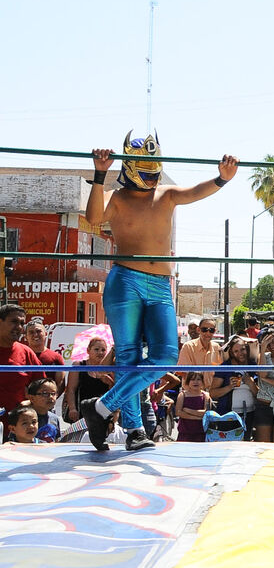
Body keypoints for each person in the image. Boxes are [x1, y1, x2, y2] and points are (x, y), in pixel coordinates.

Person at [81, 138, 238, 452]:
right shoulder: (117, 196)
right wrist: (100, 175)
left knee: (166, 355)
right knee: (128, 357)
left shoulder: (167, 194)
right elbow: (94, 218)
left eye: (155, 172)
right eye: (146, 173)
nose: (152, 179)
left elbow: (195, 192)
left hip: (160, 284)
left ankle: (100, 407)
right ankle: (134, 430)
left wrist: (222, 179)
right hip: (125, 279)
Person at [208, 335, 258, 441]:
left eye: (242, 349)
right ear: (231, 353)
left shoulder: (253, 366)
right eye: (236, 351)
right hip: (227, 415)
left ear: (247, 349)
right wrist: (229, 387)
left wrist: (250, 383)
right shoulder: (225, 367)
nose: (240, 353)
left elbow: (260, 394)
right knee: (228, 446)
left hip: (249, 415)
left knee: (246, 444)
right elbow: (213, 393)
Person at [0, 305, 45, 416]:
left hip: (17, 423)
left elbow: (44, 386)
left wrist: (30, 402)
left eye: (22, 323)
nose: (19, 327)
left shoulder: (26, 352)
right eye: (14, 321)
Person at [22, 318, 65, 395]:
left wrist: (50, 398)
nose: (35, 335)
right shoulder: (21, 356)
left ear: (45, 334)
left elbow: (60, 383)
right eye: (31, 332)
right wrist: (29, 398)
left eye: (38, 331)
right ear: (25, 337)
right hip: (23, 401)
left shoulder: (56, 357)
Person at [178, 316, 223, 388]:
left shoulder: (216, 347)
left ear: (214, 331)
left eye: (211, 330)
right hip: (192, 392)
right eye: (204, 329)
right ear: (198, 330)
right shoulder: (188, 347)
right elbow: (183, 373)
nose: (208, 333)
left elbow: (219, 373)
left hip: (211, 392)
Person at [174, 372, 210, 442]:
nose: (195, 382)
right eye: (192, 379)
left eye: (198, 379)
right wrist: (196, 417)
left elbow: (205, 412)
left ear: (202, 381)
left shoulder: (205, 395)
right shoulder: (182, 395)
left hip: (201, 432)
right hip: (185, 432)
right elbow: (178, 412)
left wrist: (188, 410)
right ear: (188, 381)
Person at [25, 377, 63, 441]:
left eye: (53, 393)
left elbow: (57, 441)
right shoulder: (23, 418)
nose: (51, 397)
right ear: (32, 398)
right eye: (45, 393)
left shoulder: (54, 418)